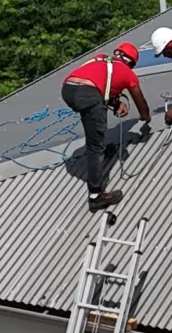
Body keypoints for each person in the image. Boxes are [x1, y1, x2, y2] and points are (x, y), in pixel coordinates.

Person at [60, 42, 151, 209]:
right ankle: (96, 196)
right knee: (95, 145)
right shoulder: (128, 73)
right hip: (88, 94)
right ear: (131, 63)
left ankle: (101, 151)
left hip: (68, 89)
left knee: (94, 129)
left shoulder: (101, 59)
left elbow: (101, 85)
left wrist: (116, 104)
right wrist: (146, 117)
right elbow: (139, 99)